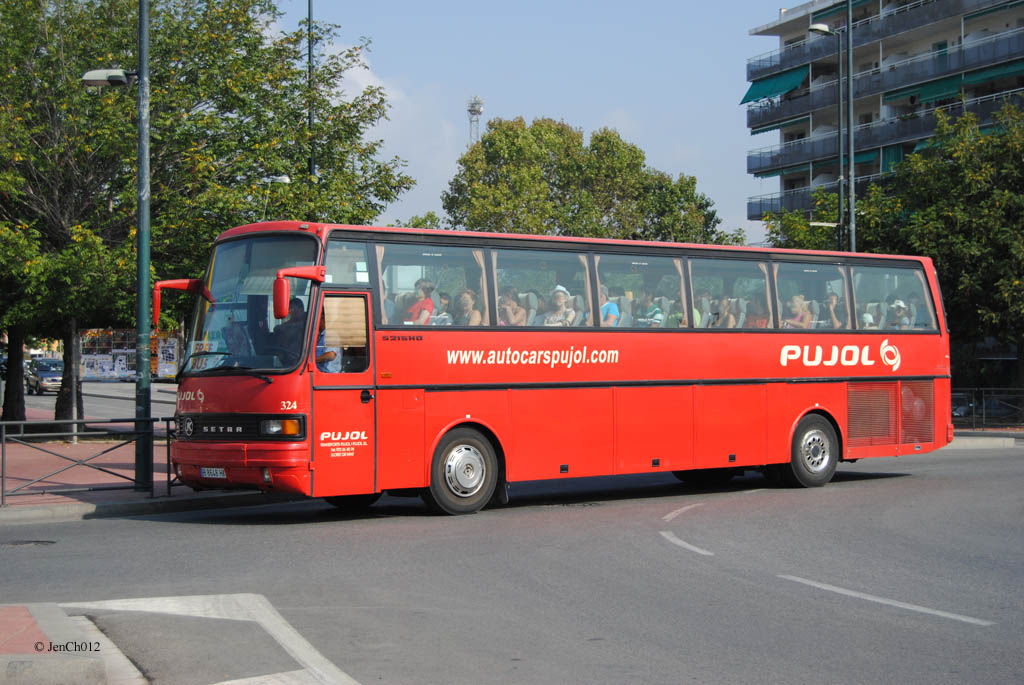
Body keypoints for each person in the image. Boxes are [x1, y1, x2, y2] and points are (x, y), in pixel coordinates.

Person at [272, 297, 306, 361]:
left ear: (301, 308)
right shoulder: (292, 321)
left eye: (292, 309)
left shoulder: (309, 319)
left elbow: (300, 326)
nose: (290, 312)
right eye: (289, 309)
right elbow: (278, 328)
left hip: (303, 357)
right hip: (290, 356)